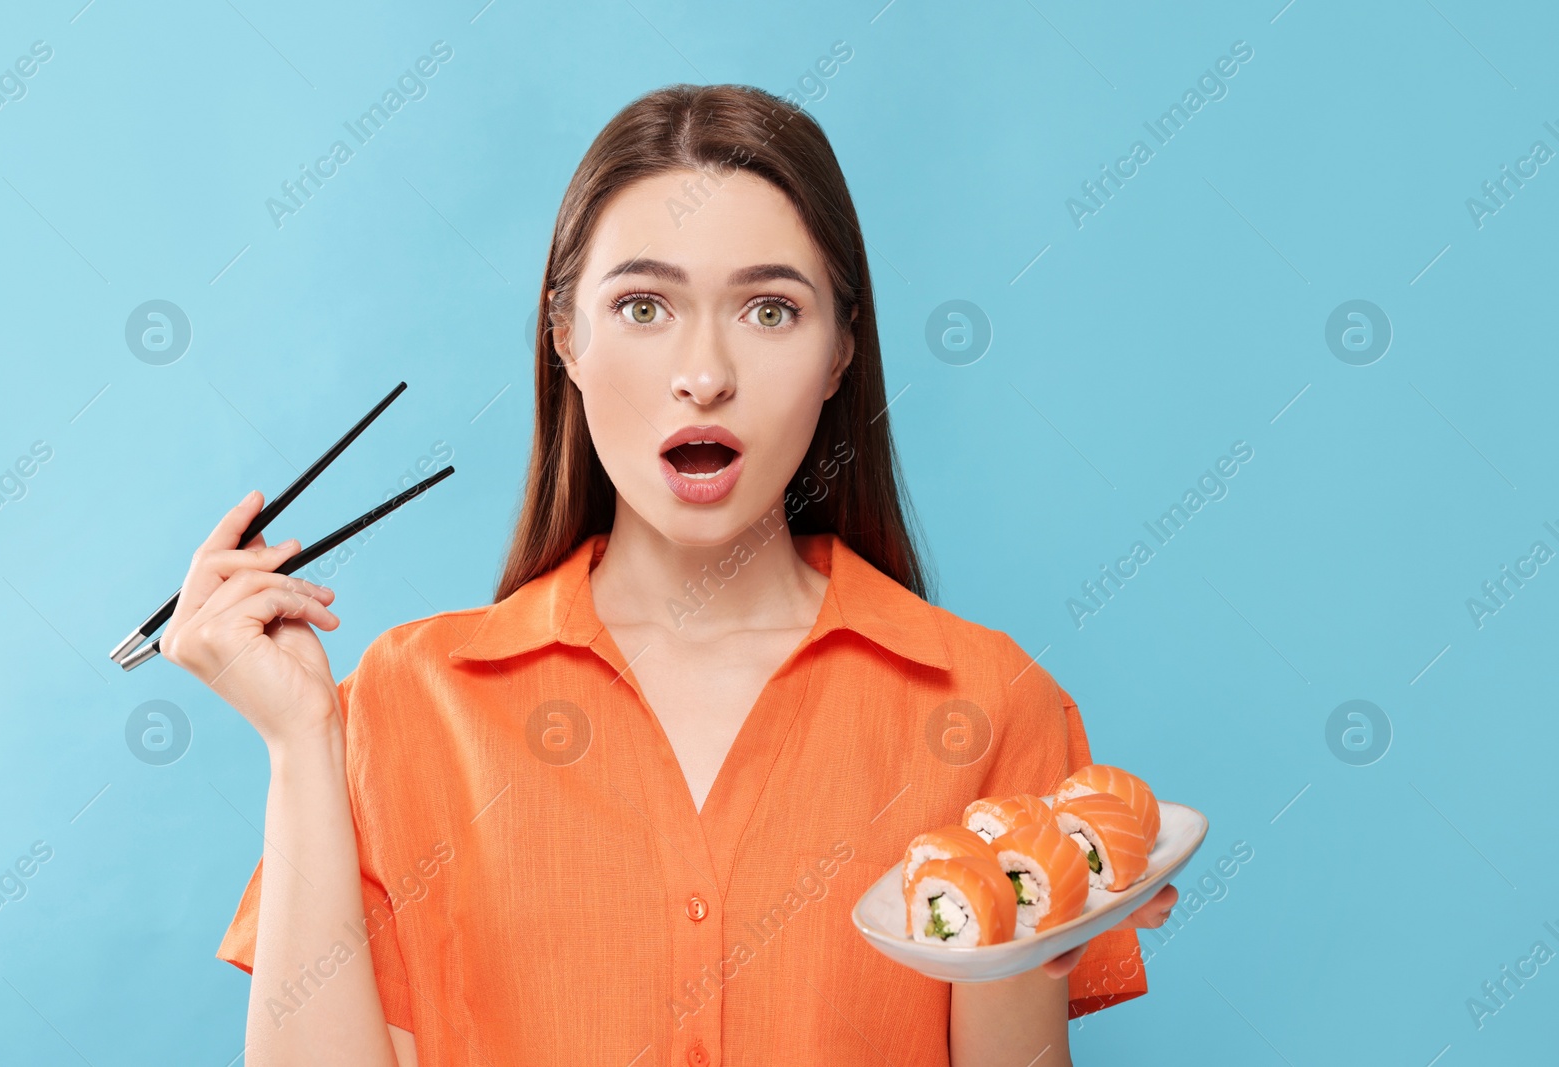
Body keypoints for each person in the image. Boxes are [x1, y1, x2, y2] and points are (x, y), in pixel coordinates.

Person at [165, 83, 1177, 1067]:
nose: (705, 371)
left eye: (770, 311)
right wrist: (301, 745)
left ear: (840, 353)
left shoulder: (991, 706)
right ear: (565, 335)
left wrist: (1029, 935)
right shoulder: (406, 702)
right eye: (644, 306)